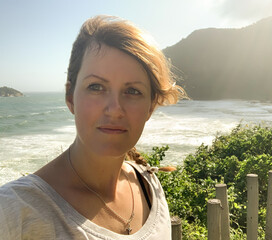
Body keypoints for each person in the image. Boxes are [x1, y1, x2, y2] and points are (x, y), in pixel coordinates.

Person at [0, 15, 186, 239]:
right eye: (96, 87)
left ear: (150, 107)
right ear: (70, 97)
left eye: (133, 91)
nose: (115, 109)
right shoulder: (13, 213)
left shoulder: (150, 188)